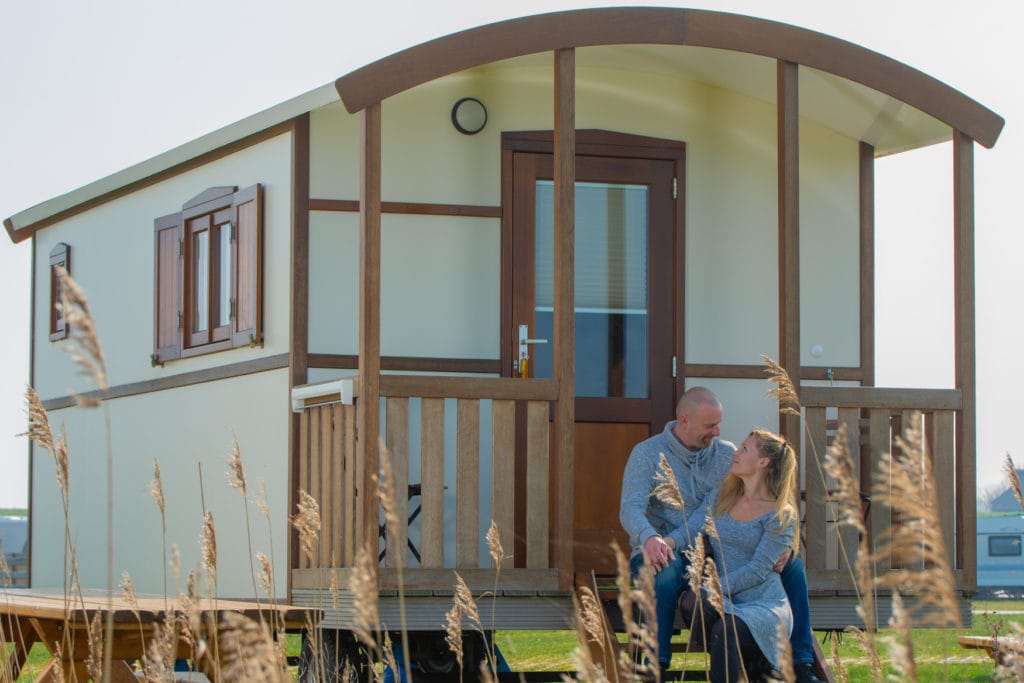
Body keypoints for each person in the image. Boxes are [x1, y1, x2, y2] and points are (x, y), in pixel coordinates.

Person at [619, 387, 824, 683]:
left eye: (719, 424)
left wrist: (786, 547)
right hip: (666, 551)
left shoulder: (727, 455)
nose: (717, 432)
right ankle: (654, 666)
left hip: (720, 554)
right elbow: (630, 509)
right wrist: (650, 538)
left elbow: (763, 502)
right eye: (709, 426)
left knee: (792, 567)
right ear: (684, 420)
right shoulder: (647, 454)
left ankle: (801, 662)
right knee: (662, 570)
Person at [684, 429, 799, 681]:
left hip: (762, 602)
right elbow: (691, 528)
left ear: (763, 462)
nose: (735, 453)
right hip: (724, 599)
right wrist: (659, 540)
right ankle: (753, 663)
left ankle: (755, 661)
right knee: (693, 602)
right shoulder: (722, 497)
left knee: (725, 630)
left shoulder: (780, 514)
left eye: (744, 449)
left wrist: (715, 588)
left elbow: (758, 570)